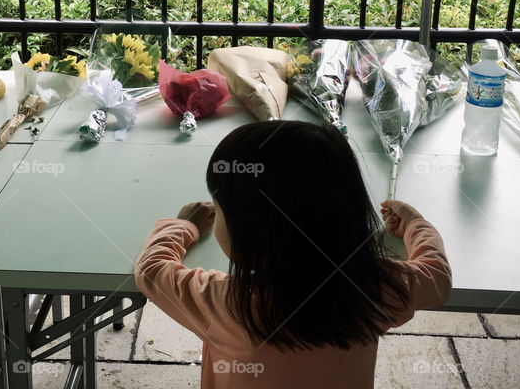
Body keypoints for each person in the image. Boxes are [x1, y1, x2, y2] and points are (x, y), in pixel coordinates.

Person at [135, 120, 452, 389]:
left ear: (251, 232)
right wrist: (415, 224)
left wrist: (184, 225)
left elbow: (151, 269)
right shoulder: (375, 289)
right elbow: (437, 278)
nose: (215, 214)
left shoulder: (224, 303)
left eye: (220, 208)